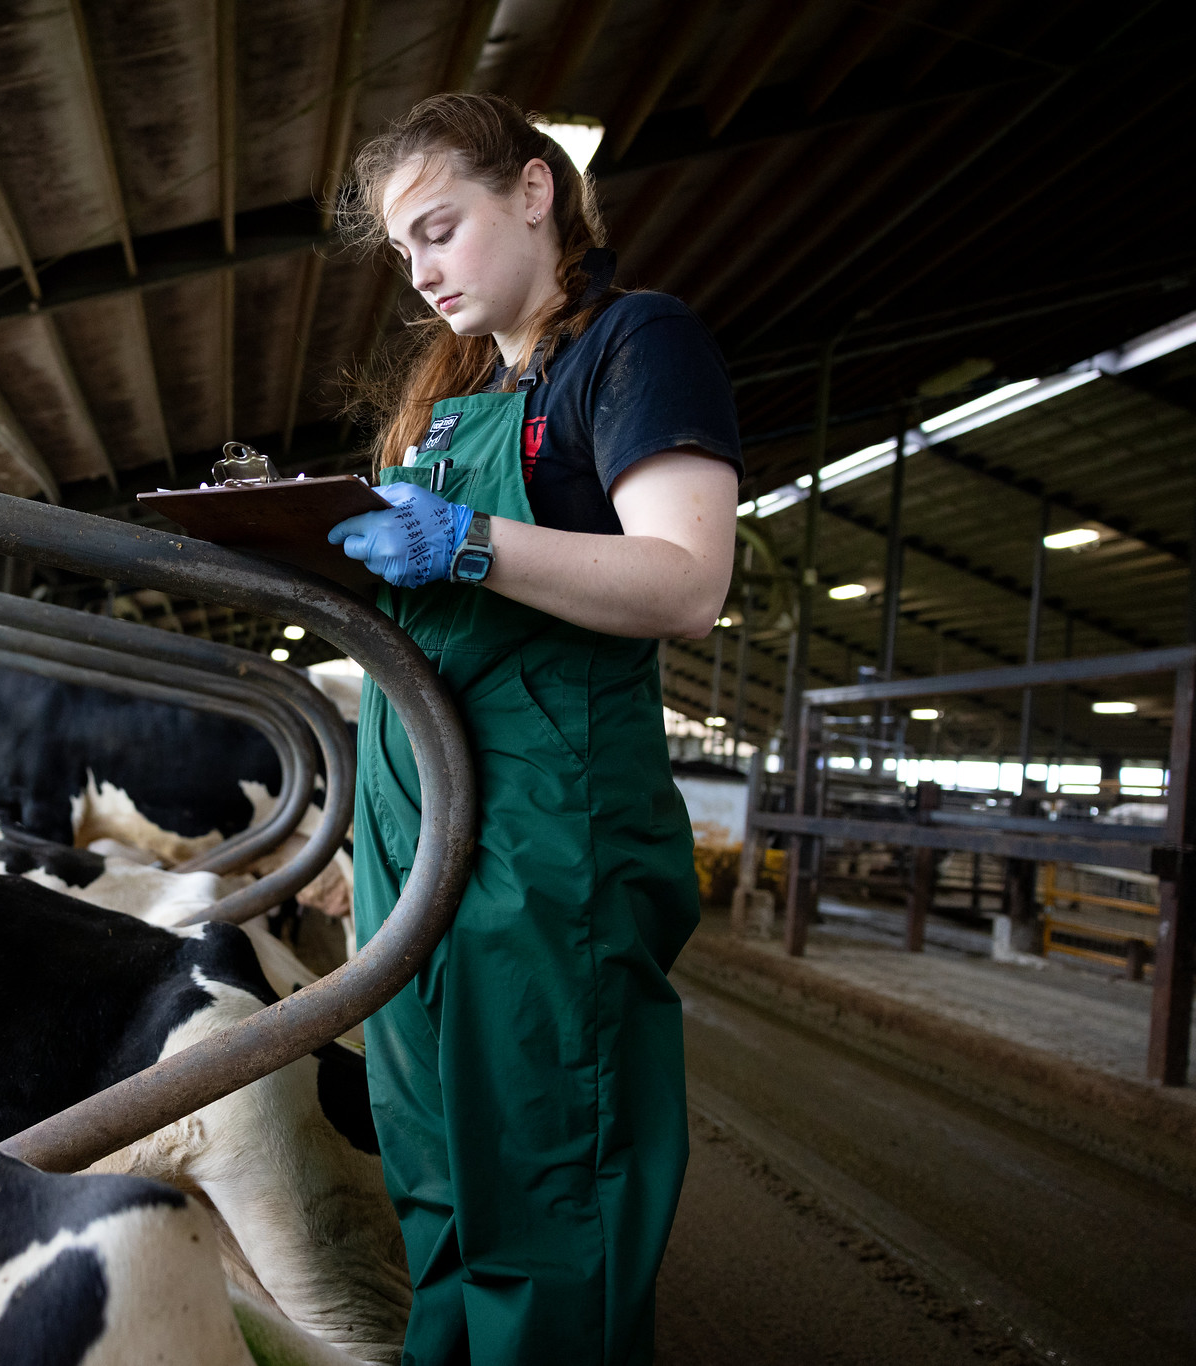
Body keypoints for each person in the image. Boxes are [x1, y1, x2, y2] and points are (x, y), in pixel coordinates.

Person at [325, 93, 741, 1365]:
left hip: (541, 829)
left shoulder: (634, 344)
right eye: (403, 250)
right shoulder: (458, 398)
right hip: (413, 816)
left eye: (438, 228)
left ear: (534, 193)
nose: (423, 270)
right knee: (436, 1170)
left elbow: (683, 579)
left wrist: (468, 541)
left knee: (546, 1175)